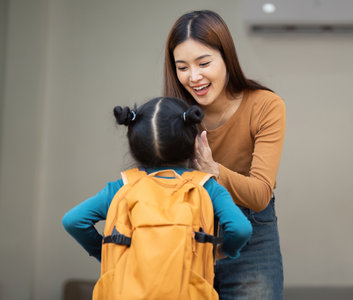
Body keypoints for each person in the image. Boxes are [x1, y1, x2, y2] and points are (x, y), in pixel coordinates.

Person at [163, 10, 286, 300]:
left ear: (226, 58)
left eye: (204, 63)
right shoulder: (171, 114)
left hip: (252, 236)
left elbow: (259, 195)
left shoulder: (266, 106)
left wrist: (213, 170)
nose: (194, 77)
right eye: (182, 67)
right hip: (186, 232)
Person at [62, 97, 252, 273]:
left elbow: (73, 221)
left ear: (134, 146)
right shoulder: (207, 187)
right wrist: (219, 252)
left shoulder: (123, 187)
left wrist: (107, 255)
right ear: (193, 143)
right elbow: (240, 229)